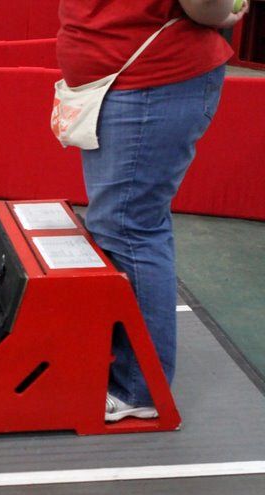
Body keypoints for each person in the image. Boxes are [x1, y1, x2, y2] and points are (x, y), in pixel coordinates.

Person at [56, 0, 248, 421]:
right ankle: (129, 369)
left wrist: (221, 12)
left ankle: (138, 387)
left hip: (151, 81)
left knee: (128, 228)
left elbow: (207, 5)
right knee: (125, 225)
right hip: (126, 81)